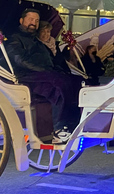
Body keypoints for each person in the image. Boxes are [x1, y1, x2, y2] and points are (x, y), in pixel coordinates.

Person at [5, 8, 82, 143]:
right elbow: (19, 59)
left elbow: (49, 60)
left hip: (43, 73)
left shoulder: (36, 40)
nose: (33, 23)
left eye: (36, 20)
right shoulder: (14, 38)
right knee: (58, 84)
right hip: (27, 75)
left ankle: (72, 123)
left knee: (76, 81)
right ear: (21, 21)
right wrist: (43, 70)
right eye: (30, 19)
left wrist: (56, 69)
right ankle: (59, 129)